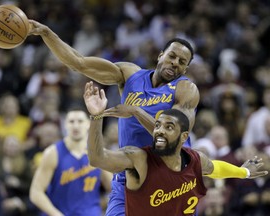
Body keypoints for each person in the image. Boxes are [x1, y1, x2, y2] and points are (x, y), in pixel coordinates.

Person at [29, 21, 199, 215]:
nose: (175, 63)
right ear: (161, 55)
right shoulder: (130, 75)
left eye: (182, 62)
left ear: (185, 70)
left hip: (170, 177)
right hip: (128, 172)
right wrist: (47, 33)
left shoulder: (186, 90)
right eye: (172, 56)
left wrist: (136, 111)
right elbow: (78, 63)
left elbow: (173, 140)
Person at [83, 82, 268, 216]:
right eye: (157, 126)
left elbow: (215, 169)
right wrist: (96, 117)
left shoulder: (195, 159)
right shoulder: (138, 158)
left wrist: (244, 172)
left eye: (169, 127)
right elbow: (97, 159)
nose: (160, 131)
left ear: (184, 137)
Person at [29, 108, 112, 216]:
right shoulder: (52, 153)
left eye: (80, 121)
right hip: (61, 212)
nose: (76, 126)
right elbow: (36, 192)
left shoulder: (99, 153)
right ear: (65, 125)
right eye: (71, 121)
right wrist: (56, 214)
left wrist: (106, 204)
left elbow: (114, 188)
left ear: (88, 124)